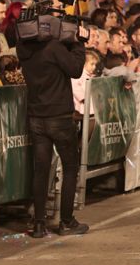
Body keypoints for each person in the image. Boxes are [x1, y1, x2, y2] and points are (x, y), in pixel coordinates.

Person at [17, 15, 89, 238]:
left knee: (41, 170)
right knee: (70, 167)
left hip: (36, 116)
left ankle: (39, 224)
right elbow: (75, 69)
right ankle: (66, 222)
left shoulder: (23, 48)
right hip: (59, 116)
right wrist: (78, 43)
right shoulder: (54, 47)